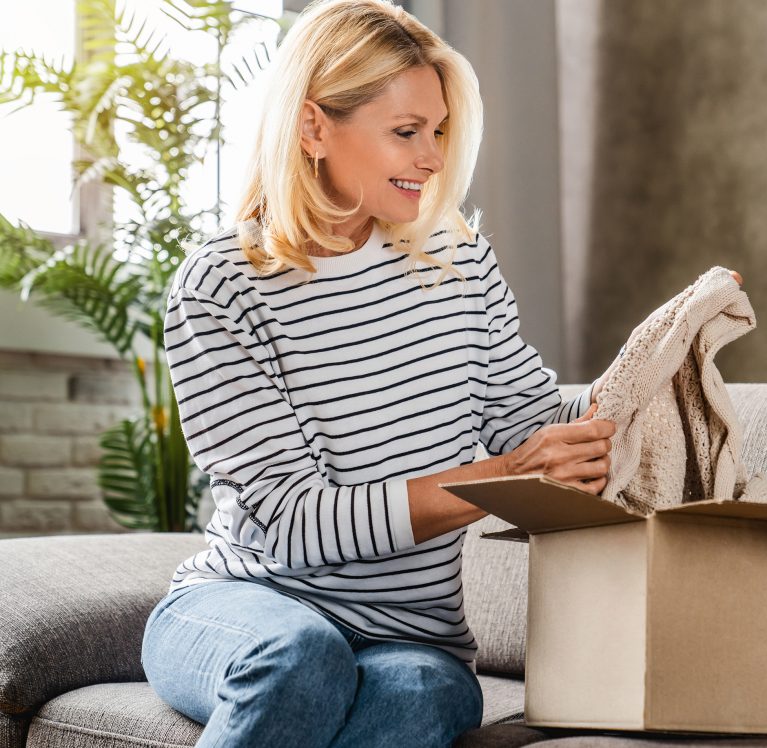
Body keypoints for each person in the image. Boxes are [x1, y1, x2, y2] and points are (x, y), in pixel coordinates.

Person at [140, 1, 617, 746]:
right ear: (313, 127)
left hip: (414, 638)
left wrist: (655, 376)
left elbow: (529, 420)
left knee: (423, 692)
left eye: (438, 132)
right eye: (405, 132)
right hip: (249, 605)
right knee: (299, 656)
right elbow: (295, 525)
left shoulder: (459, 262)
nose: (431, 157)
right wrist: (498, 477)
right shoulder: (221, 286)